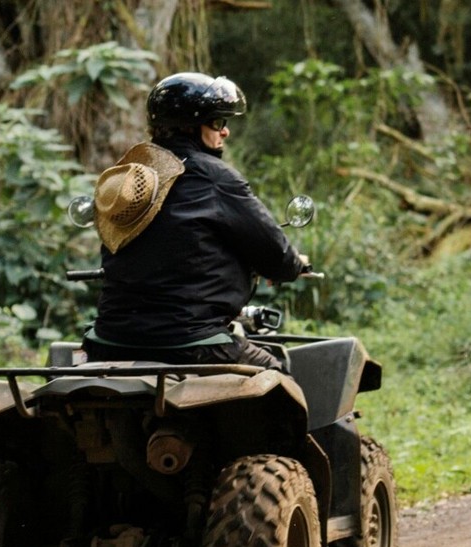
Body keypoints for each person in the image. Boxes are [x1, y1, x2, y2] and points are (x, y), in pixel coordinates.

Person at [81, 71, 308, 371]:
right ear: (188, 127)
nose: (224, 131)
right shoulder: (215, 178)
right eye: (217, 122)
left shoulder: (130, 182)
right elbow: (274, 251)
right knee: (276, 372)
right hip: (190, 343)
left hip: (108, 341)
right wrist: (294, 265)